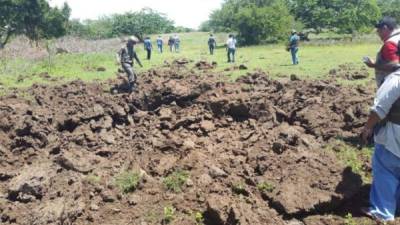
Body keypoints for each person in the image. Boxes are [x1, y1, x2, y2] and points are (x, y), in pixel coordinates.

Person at [360, 17, 400, 223]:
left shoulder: (395, 80)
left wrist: (368, 128)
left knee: (385, 167)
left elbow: (379, 109)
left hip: (395, 132)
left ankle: (383, 212)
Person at [364, 16, 400, 87]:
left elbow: (395, 66)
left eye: (378, 30)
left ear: (385, 28)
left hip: (393, 87)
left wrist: (374, 65)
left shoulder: (390, 43)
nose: (378, 33)